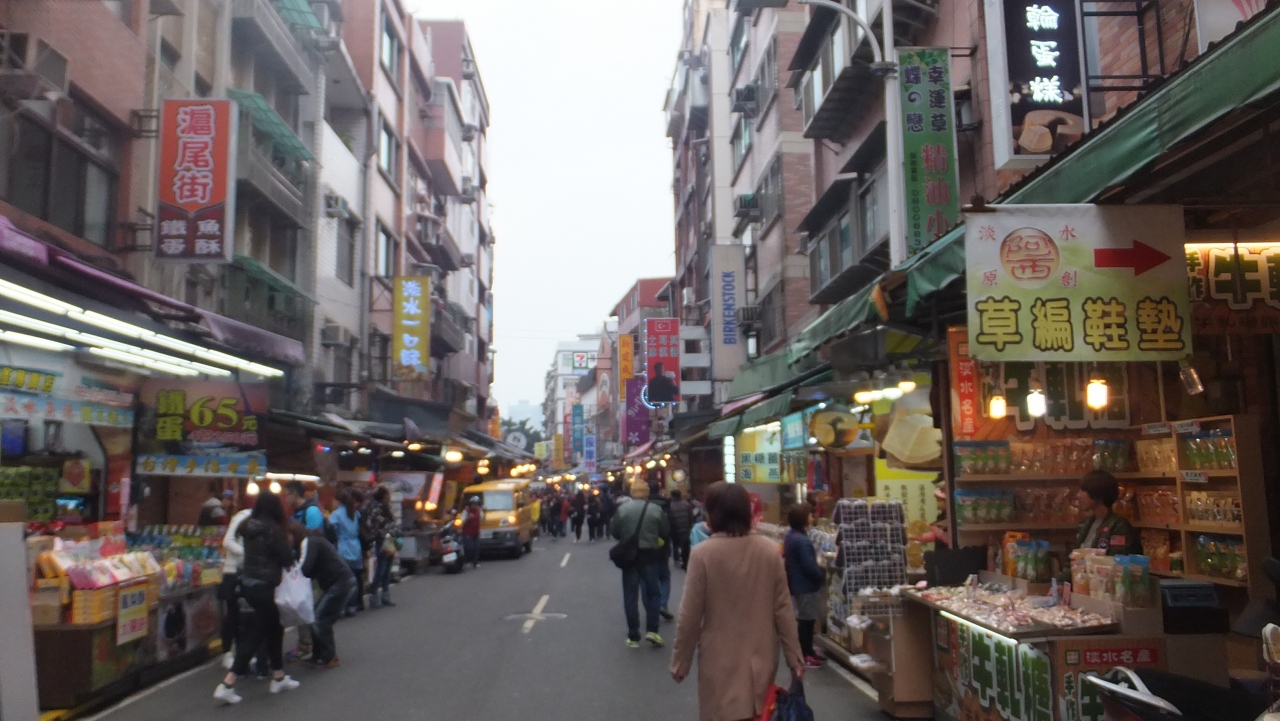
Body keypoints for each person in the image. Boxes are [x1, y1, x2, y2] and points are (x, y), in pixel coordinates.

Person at [671, 482, 805, 721]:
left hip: (718, 660)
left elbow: (689, 615)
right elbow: (783, 608)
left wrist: (681, 661)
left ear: (713, 514)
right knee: (758, 713)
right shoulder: (769, 551)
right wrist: (794, 656)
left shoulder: (703, 554)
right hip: (761, 658)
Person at [213, 492, 300, 705]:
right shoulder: (274, 530)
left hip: (248, 584)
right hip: (267, 587)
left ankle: (278, 676)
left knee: (274, 628)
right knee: (256, 634)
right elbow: (287, 559)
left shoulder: (247, 527)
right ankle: (228, 683)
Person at [611, 480, 670, 648]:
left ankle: (633, 636)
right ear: (646, 492)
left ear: (632, 492)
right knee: (653, 593)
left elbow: (615, 532)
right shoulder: (656, 509)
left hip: (630, 557)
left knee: (630, 595)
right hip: (650, 555)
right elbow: (665, 531)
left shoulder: (623, 509)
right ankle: (653, 630)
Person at [289, 521, 355, 668]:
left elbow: (305, 568)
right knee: (316, 618)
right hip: (341, 582)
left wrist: (290, 574)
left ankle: (330, 656)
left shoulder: (309, 542)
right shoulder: (314, 541)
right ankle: (318, 655)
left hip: (339, 583)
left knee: (319, 619)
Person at [783, 503, 826, 669]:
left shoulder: (791, 535)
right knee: (807, 620)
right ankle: (806, 653)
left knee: (806, 619)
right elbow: (809, 566)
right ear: (803, 518)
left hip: (798, 583)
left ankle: (808, 651)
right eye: (809, 515)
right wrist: (821, 576)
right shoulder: (802, 540)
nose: (812, 518)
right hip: (806, 585)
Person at [217, 502, 252, 668]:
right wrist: (248, 554)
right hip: (232, 573)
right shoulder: (243, 516)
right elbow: (227, 541)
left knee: (244, 617)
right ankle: (227, 653)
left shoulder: (262, 522)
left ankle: (241, 653)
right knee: (232, 615)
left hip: (247, 573)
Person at [1075, 469, 1139, 555]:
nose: (1078, 495)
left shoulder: (1119, 526)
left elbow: (1117, 558)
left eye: (1083, 490)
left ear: (1098, 494)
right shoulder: (1084, 523)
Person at [362, 487, 400, 608]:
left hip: (389, 541)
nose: (390, 496)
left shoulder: (386, 507)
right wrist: (391, 529)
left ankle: (385, 594)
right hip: (381, 541)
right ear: (384, 496)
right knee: (381, 568)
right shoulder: (376, 509)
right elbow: (382, 525)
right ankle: (374, 595)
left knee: (387, 568)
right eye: (388, 494)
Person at [329, 489, 364, 615]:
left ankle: (342, 606)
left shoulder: (336, 515)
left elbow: (330, 529)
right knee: (355, 578)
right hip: (356, 547)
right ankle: (352, 605)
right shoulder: (355, 513)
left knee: (344, 579)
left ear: (338, 501)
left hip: (343, 548)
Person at [668, 489, 694, 570]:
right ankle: (685, 560)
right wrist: (690, 526)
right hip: (685, 528)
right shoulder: (686, 504)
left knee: (675, 545)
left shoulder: (670, 505)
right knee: (685, 545)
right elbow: (691, 516)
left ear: (672, 496)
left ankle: (677, 560)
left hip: (674, 529)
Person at [460, 497, 483, 569]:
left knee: (476, 547)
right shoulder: (466, 511)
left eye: (476, 504)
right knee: (469, 547)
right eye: (473, 504)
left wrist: (484, 511)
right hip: (467, 533)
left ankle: (475, 562)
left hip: (475, 532)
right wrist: (467, 518)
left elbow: (483, 519)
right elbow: (462, 521)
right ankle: (467, 561)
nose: (474, 506)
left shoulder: (479, 511)